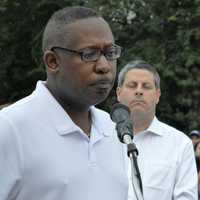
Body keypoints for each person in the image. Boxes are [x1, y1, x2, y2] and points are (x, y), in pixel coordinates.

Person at [0, 6, 129, 200]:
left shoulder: (113, 129)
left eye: (110, 53)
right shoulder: (10, 128)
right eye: (89, 54)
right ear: (53, 61)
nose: (104, 66)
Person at [116, 60, 198, 199]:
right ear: (118, 93)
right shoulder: (100, 136)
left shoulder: (180, 144)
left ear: (158, 95)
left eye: (146, 86)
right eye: (132, 85)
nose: (139, 91)